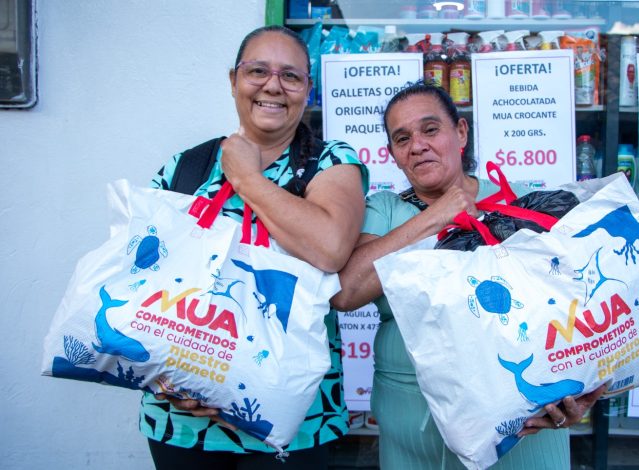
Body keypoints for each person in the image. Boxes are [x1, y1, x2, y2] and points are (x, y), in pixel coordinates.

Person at [331, 82, 606, 469]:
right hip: (414, 431)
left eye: (430, 129)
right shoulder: (385, 210)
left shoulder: (519, 201)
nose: (418, 145)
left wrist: (584, 389)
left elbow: (581, 298)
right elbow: (347, 292)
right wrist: (436, 216)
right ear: (393, 154)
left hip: (524, 429)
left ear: (460, 132)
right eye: (402, 138)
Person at [139, 25, 368, 469]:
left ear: (307, 89)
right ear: (234, 81)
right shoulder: (186, 167)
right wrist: (163, 378)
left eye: (290, 76)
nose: (273, 86)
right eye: (258, 71)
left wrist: (245, 176)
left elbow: (330, 248)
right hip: (182, 419)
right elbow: (143, 281)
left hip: (292, 421)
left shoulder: (331, 162)